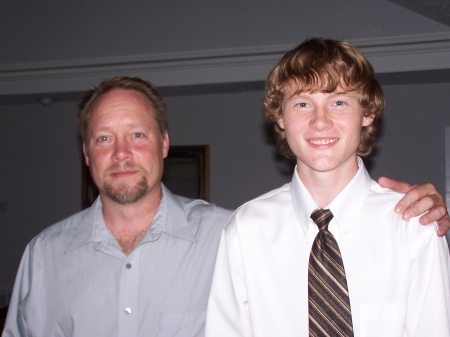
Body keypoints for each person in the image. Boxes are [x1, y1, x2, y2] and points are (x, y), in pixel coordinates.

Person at [2, 76, 448, 337]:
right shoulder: (42, 258)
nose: (120, 153)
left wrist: (421, 214)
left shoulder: (231, 233)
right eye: (103, 138)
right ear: (85, 153)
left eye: (137, 135)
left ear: (164, 145)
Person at [205, 38, 450, 337]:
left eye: (338, 102)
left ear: (367, 114)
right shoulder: (246, 230)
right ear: (281, 118)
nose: (320, 121)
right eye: (302, 104)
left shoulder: (414, 225)